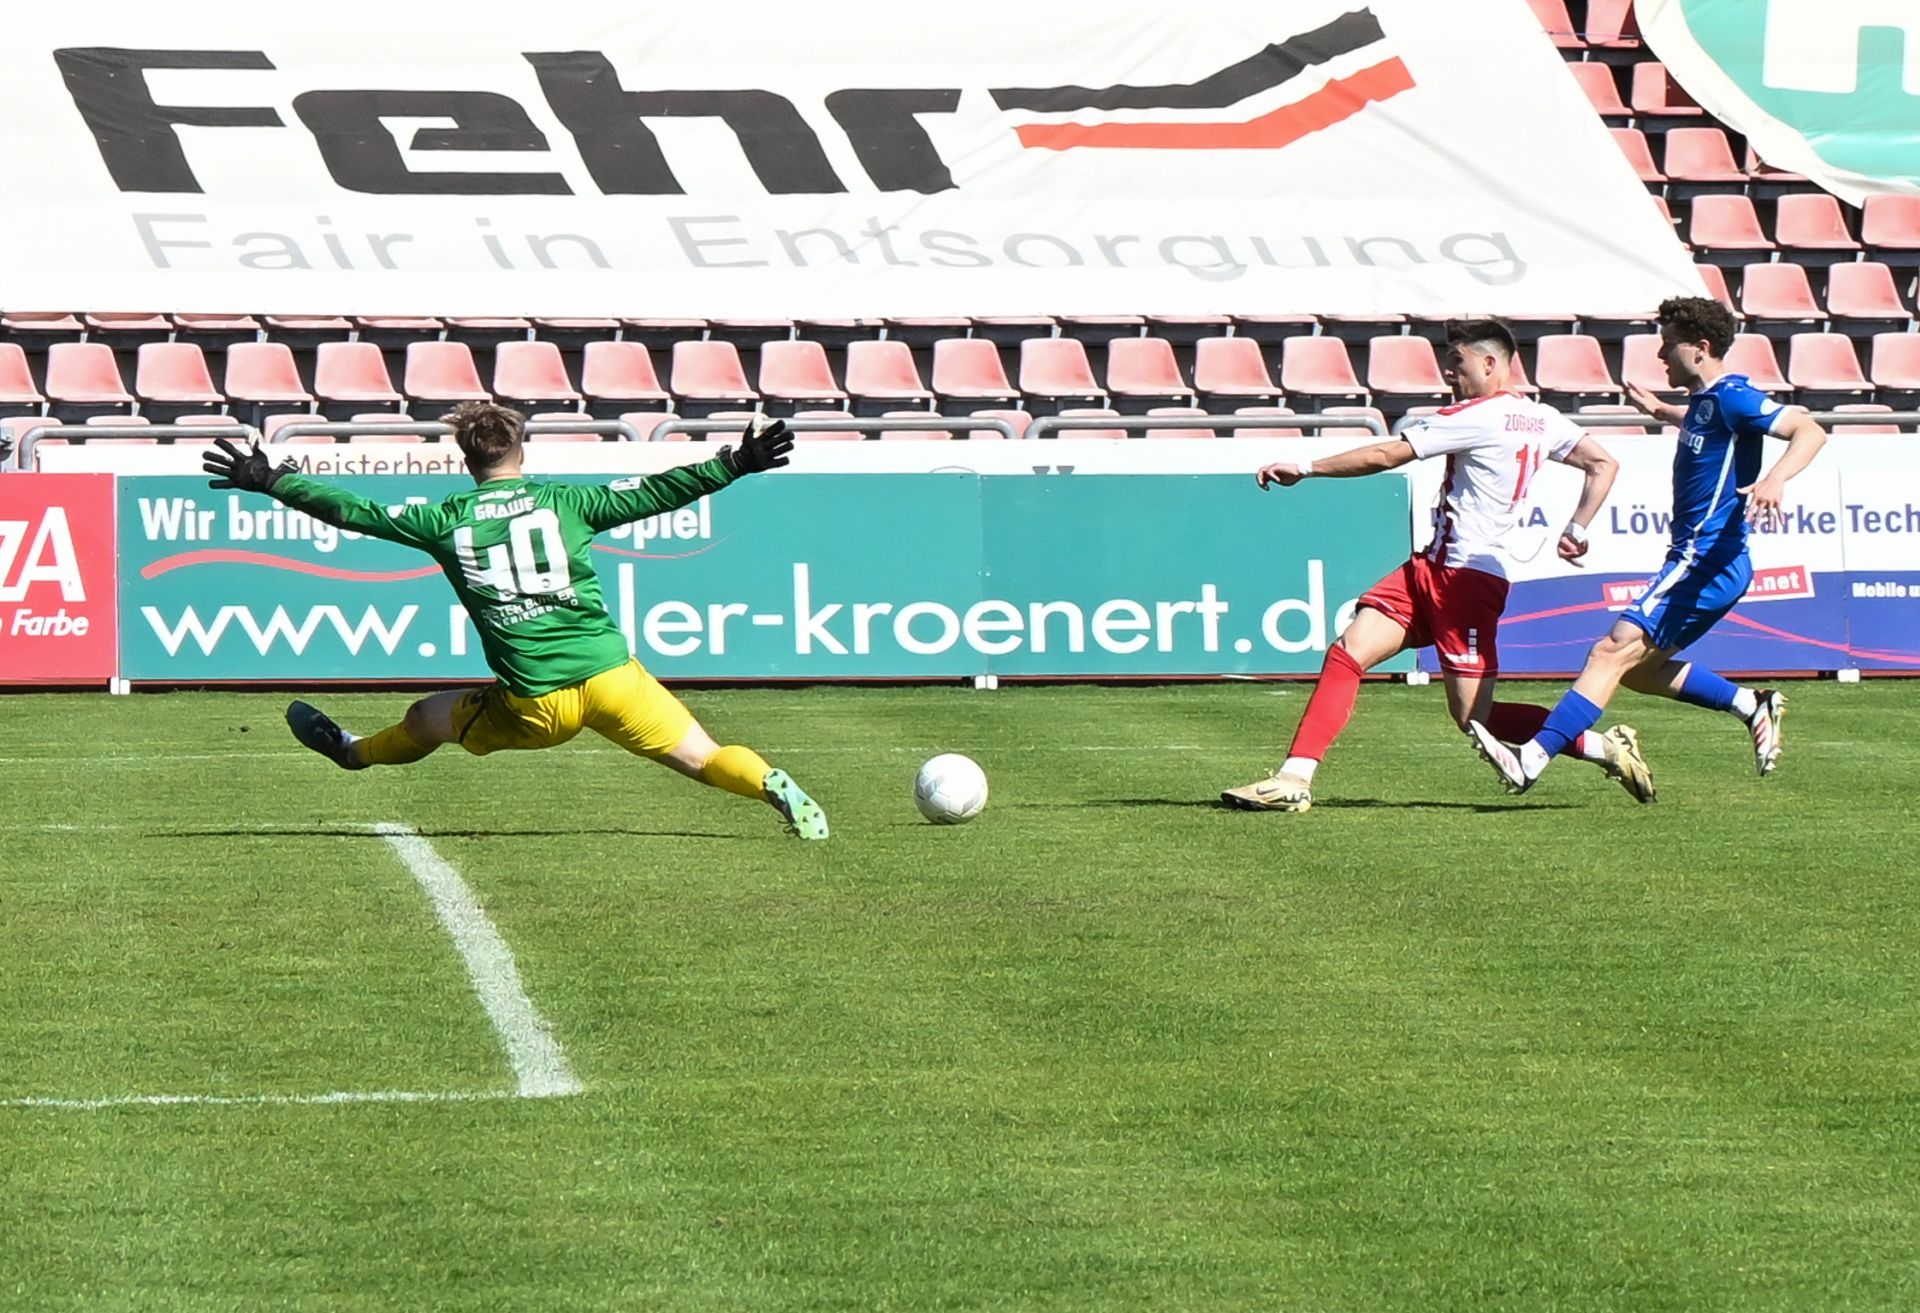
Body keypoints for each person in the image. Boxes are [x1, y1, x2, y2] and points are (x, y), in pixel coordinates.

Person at [202, 403, 829, 840]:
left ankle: (352, 752)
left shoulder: (445, 519)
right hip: (613, 676)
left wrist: (273, 479)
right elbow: (657, 492)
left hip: (538, 701)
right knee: (703, 757)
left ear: (464, 458)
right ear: (520, 450)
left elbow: (356, 512)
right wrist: (736, 462)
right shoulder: (568, 502)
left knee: (425, 718)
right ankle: (769, 783)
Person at [1222, 319, 1650, 813]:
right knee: (1347, 652)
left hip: (1466, 581)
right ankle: (1294, 778)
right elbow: (1603, 463)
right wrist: (1577, 527)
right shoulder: (1542, 418)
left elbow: (1387, 453)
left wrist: (1306, 468)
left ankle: (1603, 748)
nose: (1449, 373)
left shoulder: (1477, 415)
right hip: (1434, 566)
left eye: (1457, 362)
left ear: (1489, 363)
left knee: (1473, 716)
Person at [1467, 295, 1828, 795]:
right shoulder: (1706, 404)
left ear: (1700, 348)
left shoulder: (1734, 397)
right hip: (1710, 562)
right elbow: (1705, 426)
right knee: (1637, 671)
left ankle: (1531, 758)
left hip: (1705, 559)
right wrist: (1661, 410)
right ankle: (1750, 703)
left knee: (1609, 652)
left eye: (1668, 346)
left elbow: (1809, 430)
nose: (1661, 355)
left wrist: (1776, 478)